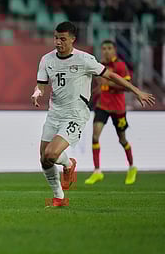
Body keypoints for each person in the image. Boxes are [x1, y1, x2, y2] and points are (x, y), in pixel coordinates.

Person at [31, 22, 154, 207]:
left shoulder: (84, 59)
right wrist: (37, 92)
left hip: (75, 115)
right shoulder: (46, 60)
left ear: (73, 39)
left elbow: (110, 76)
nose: (58, 42)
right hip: (53, 114)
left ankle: (69, 165)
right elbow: (41, 83)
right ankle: (60, 197)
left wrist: (136, 91)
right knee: (44, 159)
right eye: (56, 38)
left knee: (51, 153)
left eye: (63, 39)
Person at [85, 40, 137, 185]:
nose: (106, 51)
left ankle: (132, 167)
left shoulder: (120, 65)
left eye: (109, 48)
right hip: (102, 106)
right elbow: (99, 85)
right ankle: (97, 171)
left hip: (118, 108)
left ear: (114, 50)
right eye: (104, 48)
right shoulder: (101, 66)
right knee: (95, 136)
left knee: (122, 140)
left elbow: (127, 86)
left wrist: (109, 83)